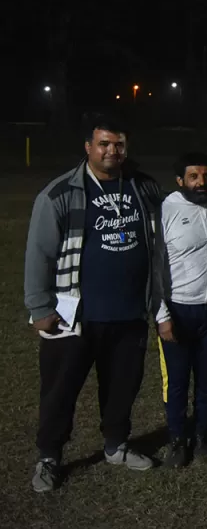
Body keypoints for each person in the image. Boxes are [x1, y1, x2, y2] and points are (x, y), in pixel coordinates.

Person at [26, 115, 172, 491]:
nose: (112, 151)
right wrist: (40, 307)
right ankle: (49, 456)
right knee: (60, 390)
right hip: (73, 316)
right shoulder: (60, 194)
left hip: (128, 313)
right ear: (88, 147)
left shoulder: (143, 187)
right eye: (104, 144)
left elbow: (175, 213)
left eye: (119, 144)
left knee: (123, 386)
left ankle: (116, 445)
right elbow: (39, 254)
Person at [159, 152, 207, 466]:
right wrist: (162, 315)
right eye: (193, 176)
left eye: (206, 175)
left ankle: (202, 434)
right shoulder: (165, 209)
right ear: (180, 180)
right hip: (178, 308)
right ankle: (177, 438)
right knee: (177, 380)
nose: (200, 182)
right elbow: (154, 268)